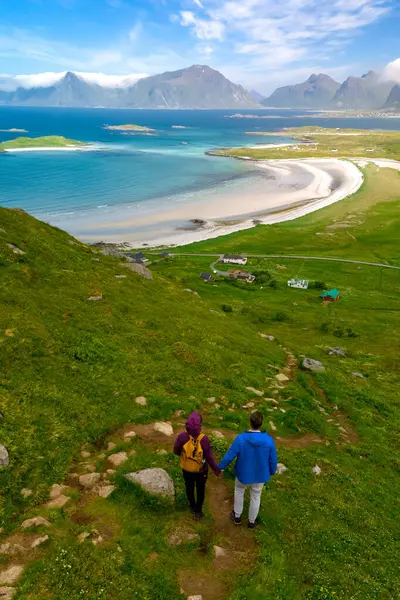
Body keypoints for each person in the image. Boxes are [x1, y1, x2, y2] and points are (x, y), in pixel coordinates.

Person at [218, 411, 277, 529]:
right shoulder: (269, 441)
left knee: (239, 491)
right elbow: (273, 459)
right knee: (256, 496)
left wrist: (220, 467)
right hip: (260, 475)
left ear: (250, 422)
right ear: (261, 423)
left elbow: (230, 455)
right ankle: (251, 522)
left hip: (243, 474)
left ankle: (237, 516)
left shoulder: (241, 439)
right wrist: (272, 471)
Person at [174, 411, 221, 519]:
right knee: (200, 488)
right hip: (200, 470)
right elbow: (209, 457)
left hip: (186, 468)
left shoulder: (182, 437)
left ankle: (192, 506)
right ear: (200, 426)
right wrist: (216, 470)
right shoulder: (204, 439)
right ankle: (198, 511)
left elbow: (176, 450)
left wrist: (184, 456)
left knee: (189, 486)